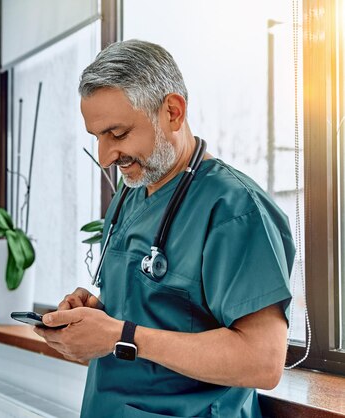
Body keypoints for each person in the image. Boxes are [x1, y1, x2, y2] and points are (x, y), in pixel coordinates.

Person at [33, 39, 295, 418]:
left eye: (118, 134)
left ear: (172, 112)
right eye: (98, 138)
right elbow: (156, 311)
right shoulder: (131, 195)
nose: (106, 157)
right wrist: (94, 315)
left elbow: (262, 361)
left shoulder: (234, 209)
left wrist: (121, 336)